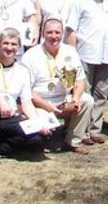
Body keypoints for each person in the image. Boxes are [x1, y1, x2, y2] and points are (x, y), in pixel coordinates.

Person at [22, 18, 94, 154]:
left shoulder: (70, 52)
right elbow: (27, 92)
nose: (54, 36)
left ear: (62, 34)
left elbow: (80, 80)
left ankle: (73, 141)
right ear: (43, 33)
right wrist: (48, 107)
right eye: (49, 32)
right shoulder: (31, 55)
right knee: (48, 144)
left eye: (57, 32)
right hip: (40, 103)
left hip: (64, 100)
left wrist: (76, 98)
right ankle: (49, 138)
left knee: (87, 101)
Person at [0, 29, 51, 168]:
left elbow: (26, 103)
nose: (9, 48)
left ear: (18, 47)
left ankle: (0, 147)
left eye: (13, 44)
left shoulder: (23, 71)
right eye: (5, 43)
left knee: (38, 140)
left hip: (10, 119)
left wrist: (38, 123)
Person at [66, 0, 108, 144]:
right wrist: (71, 54)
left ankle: (95, 129)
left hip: (104, 54)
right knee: (85, 93)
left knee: (101, 93)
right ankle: (82, 130)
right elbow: (71, 29)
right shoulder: (80, 1)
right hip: (85, 54)